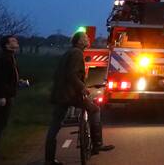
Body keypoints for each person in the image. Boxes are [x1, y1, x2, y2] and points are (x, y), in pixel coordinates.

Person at [44, 31, 114, 164]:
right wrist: (82, 87)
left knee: (54, 126)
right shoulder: (77, 53)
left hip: (61, 94)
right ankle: (97, 144)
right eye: (85, 37)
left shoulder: (69, 52)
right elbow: (72, 74)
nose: (88, 39)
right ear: (80, 41)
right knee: (94, 110)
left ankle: (49, 159)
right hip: (70, 94)